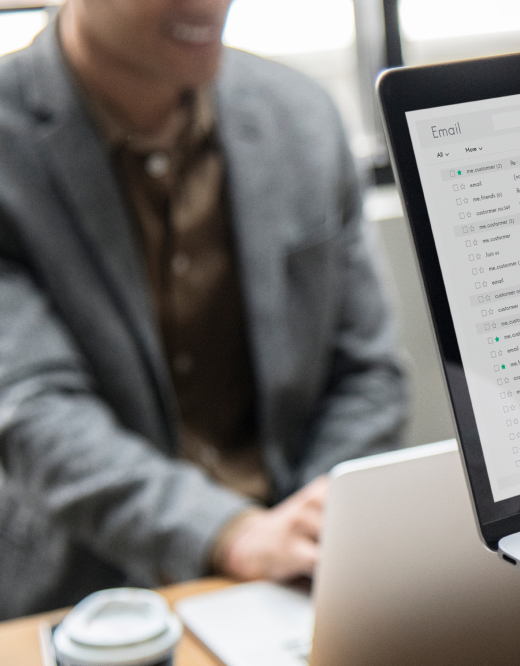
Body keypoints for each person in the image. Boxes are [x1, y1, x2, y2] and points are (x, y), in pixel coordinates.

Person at [0, 0, 408, 620]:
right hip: (93, 597)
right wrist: (230, 535)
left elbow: (368, 371)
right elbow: (33, 410)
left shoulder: (300, 116)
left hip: (302, 576)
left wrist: (315, 528)